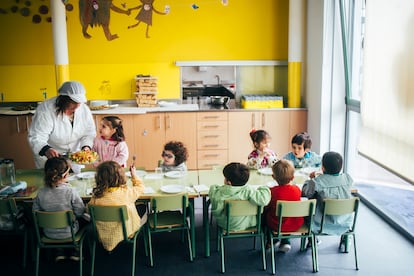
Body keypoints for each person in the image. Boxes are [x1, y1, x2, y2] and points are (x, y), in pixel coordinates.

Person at [28, 81, 96, 169]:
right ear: (63, 99)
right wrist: (46, 149)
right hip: (51, 157)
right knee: (52, 180)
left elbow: (89, 132)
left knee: (75, 181)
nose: (77, 105)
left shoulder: (83, 109)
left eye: (79, 102)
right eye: (74, 102)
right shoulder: (46, 110)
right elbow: (37, 136)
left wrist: (86, 146)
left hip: (74, 156)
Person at [32, 157, 86, 261]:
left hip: (48, 232)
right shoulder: (71, 191)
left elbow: (35, 213)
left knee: (58, 222)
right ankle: (75, 250)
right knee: (84, 219)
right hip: (70, 232)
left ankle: (59, 251)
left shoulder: (41, 193)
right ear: (66, 175)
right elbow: (80, 212)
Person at [87, 161, 145, 252]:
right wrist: (134, 175)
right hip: (126, 232)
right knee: (142, 207)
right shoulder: (126, 193)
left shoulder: (96, 198)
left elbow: (88, 210)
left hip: (102, 234)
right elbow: (140, 187)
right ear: (120, 176)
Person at [301, 151, 354, 242]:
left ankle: (312, 241)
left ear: (323, 167)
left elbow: (305, 192)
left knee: (307, 209)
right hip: (344, 223)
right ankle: (345, 240)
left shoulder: (317, 182)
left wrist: (311, 179)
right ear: (341, 167)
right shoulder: (348, 179)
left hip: (320, 224)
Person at [209, 162, 271, 231]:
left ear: (228, 182)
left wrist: (215, 187)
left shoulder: (220, 192)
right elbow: (264, 199)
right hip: (249, 224)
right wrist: (263, 188)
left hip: (227, 225)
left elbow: (212, 191)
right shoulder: (250, 191)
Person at [264, 160, 304, 253]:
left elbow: (267, 206)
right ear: (293, 177)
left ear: (273, 177)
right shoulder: (297, 189)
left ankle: (272, 239)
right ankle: (286, 240)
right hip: (295, 224)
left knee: (266, 215)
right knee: (288, 215)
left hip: (276, 224)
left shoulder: (272, 191)